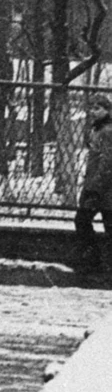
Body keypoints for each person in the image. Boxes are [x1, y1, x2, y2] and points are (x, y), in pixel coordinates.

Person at [74, 95, 112, 273]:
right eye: (91, 108)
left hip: (101, 188)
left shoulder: (107, 131)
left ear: (107, 110)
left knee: (83, 220)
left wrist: (95, 187)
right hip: (98, 186)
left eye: (97, 108)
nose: (93, 112)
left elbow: (107, 161)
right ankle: (95, 261)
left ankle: (93, 260)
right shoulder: (97, 129)